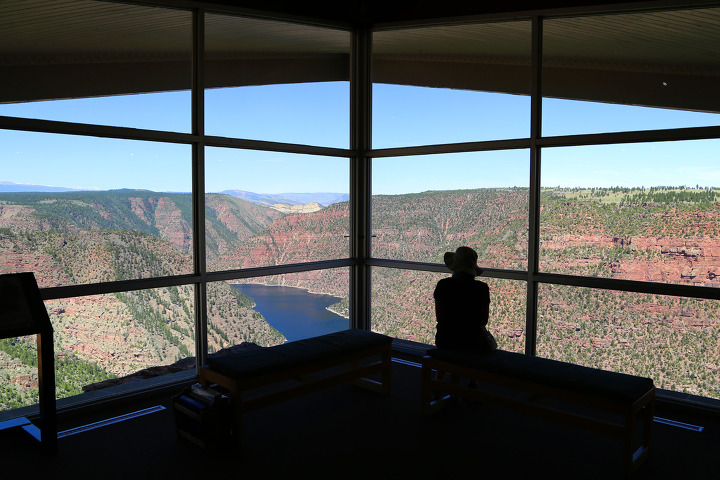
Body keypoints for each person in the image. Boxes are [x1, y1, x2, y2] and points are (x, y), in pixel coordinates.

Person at [433, 246, 497, 352]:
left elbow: (439, 318)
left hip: (445, 341)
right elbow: (484, 321)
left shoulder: (443, 285)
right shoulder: (481, 288)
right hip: (474, 343)